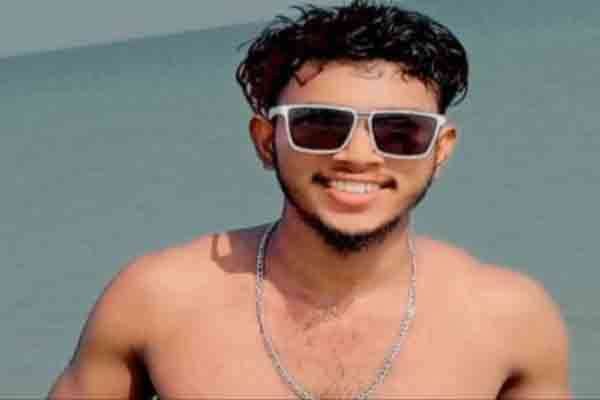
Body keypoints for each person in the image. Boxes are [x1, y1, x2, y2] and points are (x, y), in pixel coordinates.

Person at [49, 1, 570, 399]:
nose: (358, 156)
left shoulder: (510, 321)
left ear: (440, 150)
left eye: (399, 132)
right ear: (265, 141)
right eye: (320, 126)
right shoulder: (156, 302)